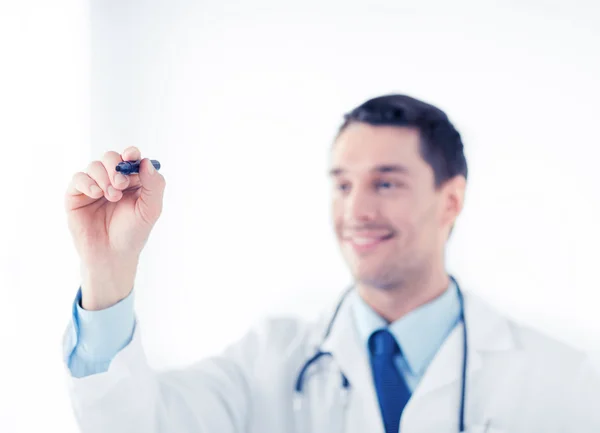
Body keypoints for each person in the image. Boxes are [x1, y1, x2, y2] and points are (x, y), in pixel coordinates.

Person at [62, 94, 600, 433]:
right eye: (342, 184)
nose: (356, 210)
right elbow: (135, 423)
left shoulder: (562, 380)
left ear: (451, 200)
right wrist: (108, 271)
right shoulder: (269, 362)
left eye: (386, 183)